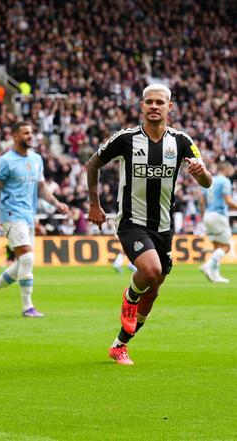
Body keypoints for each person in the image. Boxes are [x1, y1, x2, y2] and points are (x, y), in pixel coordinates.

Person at [86, 84, 212, 365]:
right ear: (141, 106)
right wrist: (94, 204)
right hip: (132, 221)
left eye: (160, 102)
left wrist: (201, 172)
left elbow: (207, 181)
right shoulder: (126, 139)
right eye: (149, 102)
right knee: (150, 270)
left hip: (164, 226)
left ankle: (119, 345)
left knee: (154, 289)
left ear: (170, 107)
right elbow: (92, 163)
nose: (154, 106)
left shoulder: (181, 141)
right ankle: (130, 296)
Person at [0, 121, 69, 317]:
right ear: (15, 136)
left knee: (22, 264)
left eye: (31, 132)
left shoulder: (36, 159)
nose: (30, 136)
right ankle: (28, 307)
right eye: (25, 133)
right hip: (11, 215)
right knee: (27, 258)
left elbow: (41, 188)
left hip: (28, 216)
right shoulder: (5, 161)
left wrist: (56, 203)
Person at [199, 161, 236, 283]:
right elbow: (228, 201)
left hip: (207, 215)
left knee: (216, 247)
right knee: (226, 247)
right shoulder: (225, 181)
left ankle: (215, 275)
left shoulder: (208, 180)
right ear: (226, 169)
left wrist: (203, 216)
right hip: (218, 215)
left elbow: (202, 201)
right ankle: (208, 264)